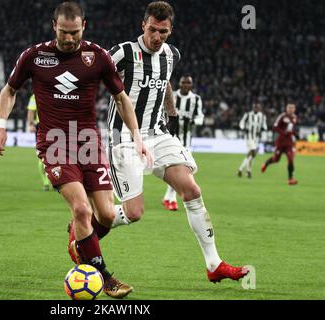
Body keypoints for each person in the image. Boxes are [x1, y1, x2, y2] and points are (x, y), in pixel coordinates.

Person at [0, 2, 150, 298]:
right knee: (81, 208)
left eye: (74, 32)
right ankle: (104, 277)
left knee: (104, 215)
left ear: (84, 26)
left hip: (89, 141)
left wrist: (137, 136)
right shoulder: (34, 56)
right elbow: (9, 90)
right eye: (64, 33)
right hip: (54, 142)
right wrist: (1, 125)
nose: (69, 39)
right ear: (54, 26)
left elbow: (121, 98)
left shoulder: (98, 56)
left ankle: (79, 240)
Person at [106, 1, 249, 283]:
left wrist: (170, 112)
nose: (157, 38)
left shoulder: (171, 55)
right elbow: (94, 79)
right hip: (123, 137)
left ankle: (214, 264)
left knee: (192, 190)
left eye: (164, 32)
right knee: (134, 213)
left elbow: (165, 81)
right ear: (142, 26)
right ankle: (86, 224)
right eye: (152, 30)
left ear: (171, 31)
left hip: (158, 134)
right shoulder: (122, 53)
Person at [162, 75, 204, 211]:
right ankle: (171, 199)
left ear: (191, 85)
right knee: (175, 167)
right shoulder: (171, 95)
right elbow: (162, 112)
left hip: (186, 139)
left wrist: (192, 121)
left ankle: (168, 197)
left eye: (188, 83)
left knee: (183, 168)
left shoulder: (196, 99)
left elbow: (200, 117)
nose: (186, 85)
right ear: (179, 84)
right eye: (183, 82)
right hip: (171, 138)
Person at [261, 103, 298, 185]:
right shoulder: (282, 116)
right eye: (289, 107)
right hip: (280, 142)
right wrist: (283, 132)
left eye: (292, 108)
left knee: (291, 159)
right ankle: (266, 164)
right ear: (286, 108)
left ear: (294, 109)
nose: (291, 109)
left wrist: (294, 134)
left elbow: (292, 129)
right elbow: (275, 127)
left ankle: (290, 179)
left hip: (289, 143)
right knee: (276, 159)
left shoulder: (295, 117)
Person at [26, 93, 52, 191]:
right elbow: (31, 111)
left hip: (57, 127)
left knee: (57, 156)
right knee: (43, 156)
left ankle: (54, 180)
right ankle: (46, 182)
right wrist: (31, 124)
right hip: (42, 127)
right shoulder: (35, 95)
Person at [237, 103, 267, 178]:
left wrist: (263, 129)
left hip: (256, 139)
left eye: (257, 107)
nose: (256, 108)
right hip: (249, 137)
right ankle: (242, 169)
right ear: (253, 108)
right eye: (255, 107)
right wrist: (244, 128)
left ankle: (246, 171)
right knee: (253, 151)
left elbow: (265, 126)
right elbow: (241, 123)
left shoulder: (262, 116)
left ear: (259, 108)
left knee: (252, 155)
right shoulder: (248, 115)